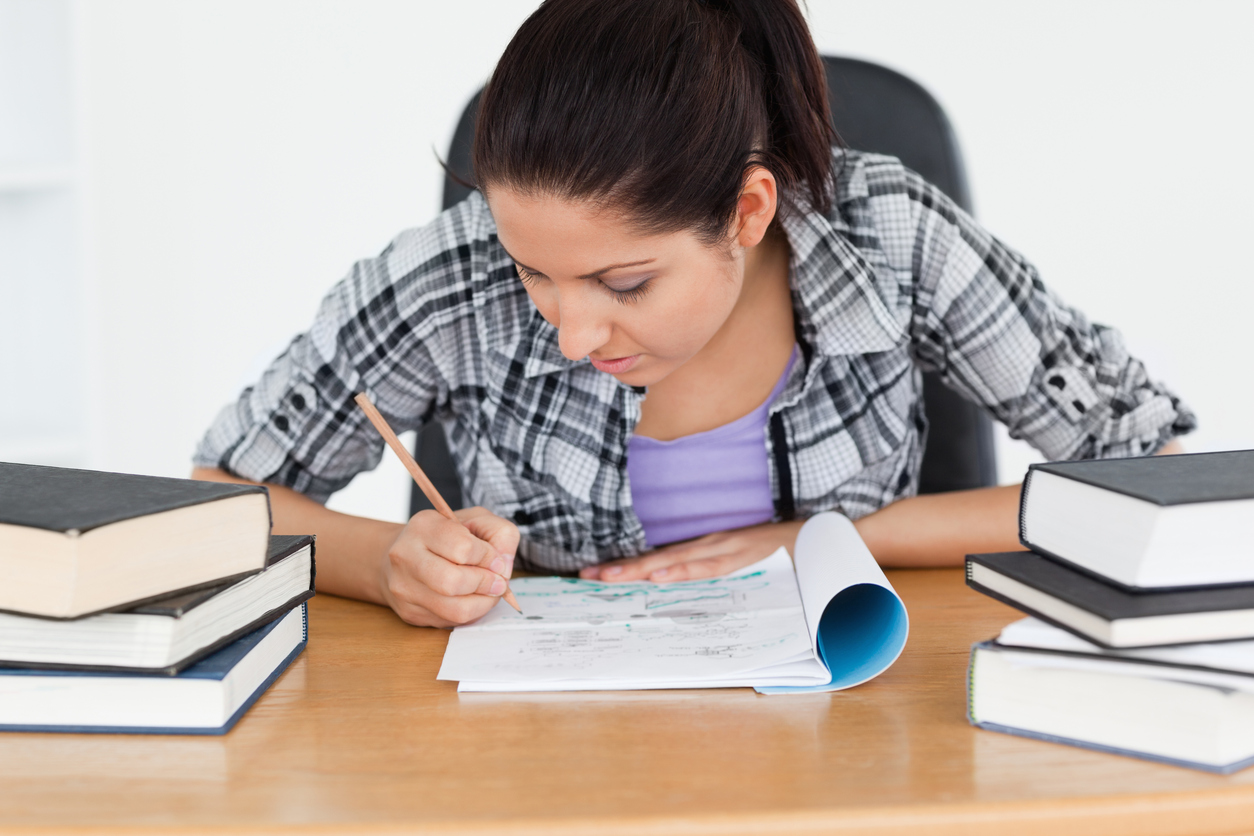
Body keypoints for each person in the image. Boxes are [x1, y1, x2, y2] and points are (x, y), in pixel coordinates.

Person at [192, 0, 1194, 628]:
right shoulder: (451, 268)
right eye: (532, 270)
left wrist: (848, 536)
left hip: (861, 729)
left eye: (625, 285)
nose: (573, 336)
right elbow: (222, 499)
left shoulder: (889, 236)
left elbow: (1153, 478)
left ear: (749, 211)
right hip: (539, 754)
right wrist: (382, 562)